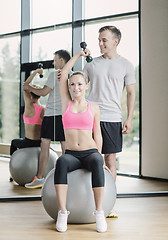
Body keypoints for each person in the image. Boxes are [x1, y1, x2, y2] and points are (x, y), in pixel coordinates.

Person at [54, 50, 107, 233]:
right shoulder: (66, 103)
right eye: (73, 84)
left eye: (80, 84)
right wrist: (78, 55)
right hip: (72, 155)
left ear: (86, 86)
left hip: (90, 152)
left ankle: (99, 212)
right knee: (61, 161)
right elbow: (64, 75)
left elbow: (97, 133)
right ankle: (62, 212)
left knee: (97, 161)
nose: (76, 88)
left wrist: (99, 155)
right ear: (69, 86)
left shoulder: (93, 107)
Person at [83, 26, 136, 182]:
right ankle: (92, 197)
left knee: (110, 159)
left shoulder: (126, 65)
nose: (100, 44)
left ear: (115, 41)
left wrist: (129, 118)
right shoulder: (91, 64)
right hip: (91, 116)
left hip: (112, 117)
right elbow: (78, 84)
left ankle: (110, 198)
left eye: (104, 40)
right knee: (91, 158)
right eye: (99, 40)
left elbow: (131, 93)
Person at [23, 50, 71, 189]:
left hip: (51, 115)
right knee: (65, 146)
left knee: (44, 145)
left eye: (55, 60)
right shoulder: (72, 75)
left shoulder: (55, 74)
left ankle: (40, 178)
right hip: (65, 115)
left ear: (62, 60)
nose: (53, 62)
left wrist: (29, 87)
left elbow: (43, 92)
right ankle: (67, 177)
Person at [10, 69, 45, 181]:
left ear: (30, 94)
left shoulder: (29, 106)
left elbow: (25, 85)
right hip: (40, 142)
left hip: (28, 142)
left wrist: (35, 72)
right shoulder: (44, 109)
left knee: (13, 142)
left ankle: (13, 171)